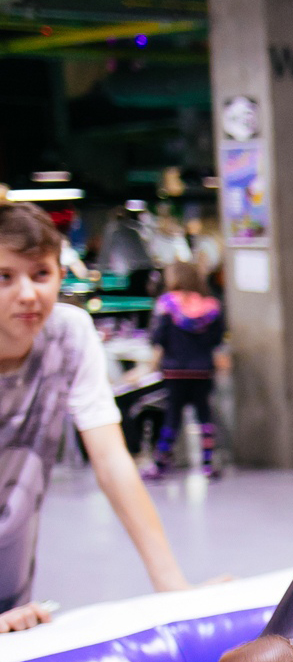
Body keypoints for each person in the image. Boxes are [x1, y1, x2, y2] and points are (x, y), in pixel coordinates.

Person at [0, 202, 190, 632]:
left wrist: (173, 588)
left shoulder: (68, 333)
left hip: (14, 600)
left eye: (41, 274)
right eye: (4, 277)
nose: (28, 293)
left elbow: (111, 460)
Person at [145, 260, 226, 479]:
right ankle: (208, 463)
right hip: (202, 370)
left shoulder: (167, 305)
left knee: (172, 416)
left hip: (175, 371)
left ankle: (160, 462)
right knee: (204, 416)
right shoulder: (211, 306)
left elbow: (157, 337)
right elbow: (216, 339)